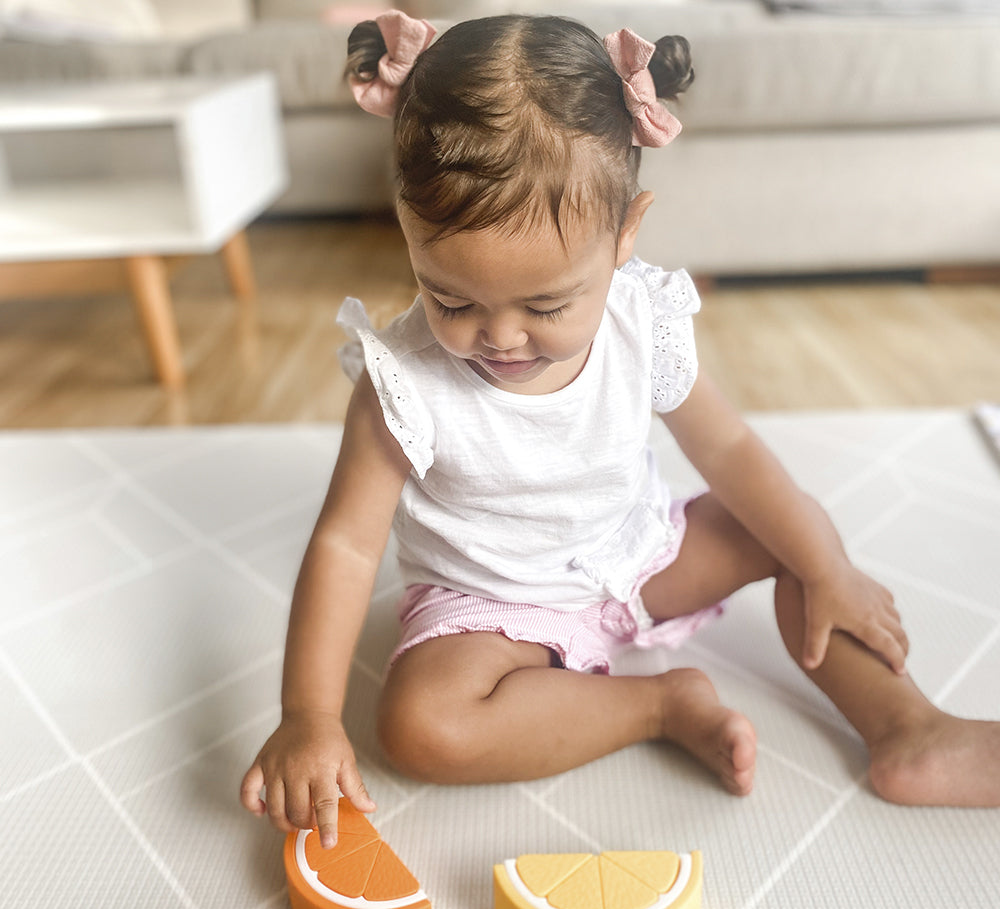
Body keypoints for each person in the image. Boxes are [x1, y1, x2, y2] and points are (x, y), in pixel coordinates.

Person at [241, 11, 1000, 848]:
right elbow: (346, 548)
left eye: (547, 304)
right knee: (420, 726)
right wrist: (307, 716)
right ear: (408, 231)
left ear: (623, 236)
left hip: (641, 554)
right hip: (493, 611)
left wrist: (829, 568)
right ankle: (658, 705)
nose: (500, 337)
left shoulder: (644, 320)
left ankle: (907, 728)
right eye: (451, 299)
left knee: (792, 533)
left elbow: (733, 451)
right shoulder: (402, 382)